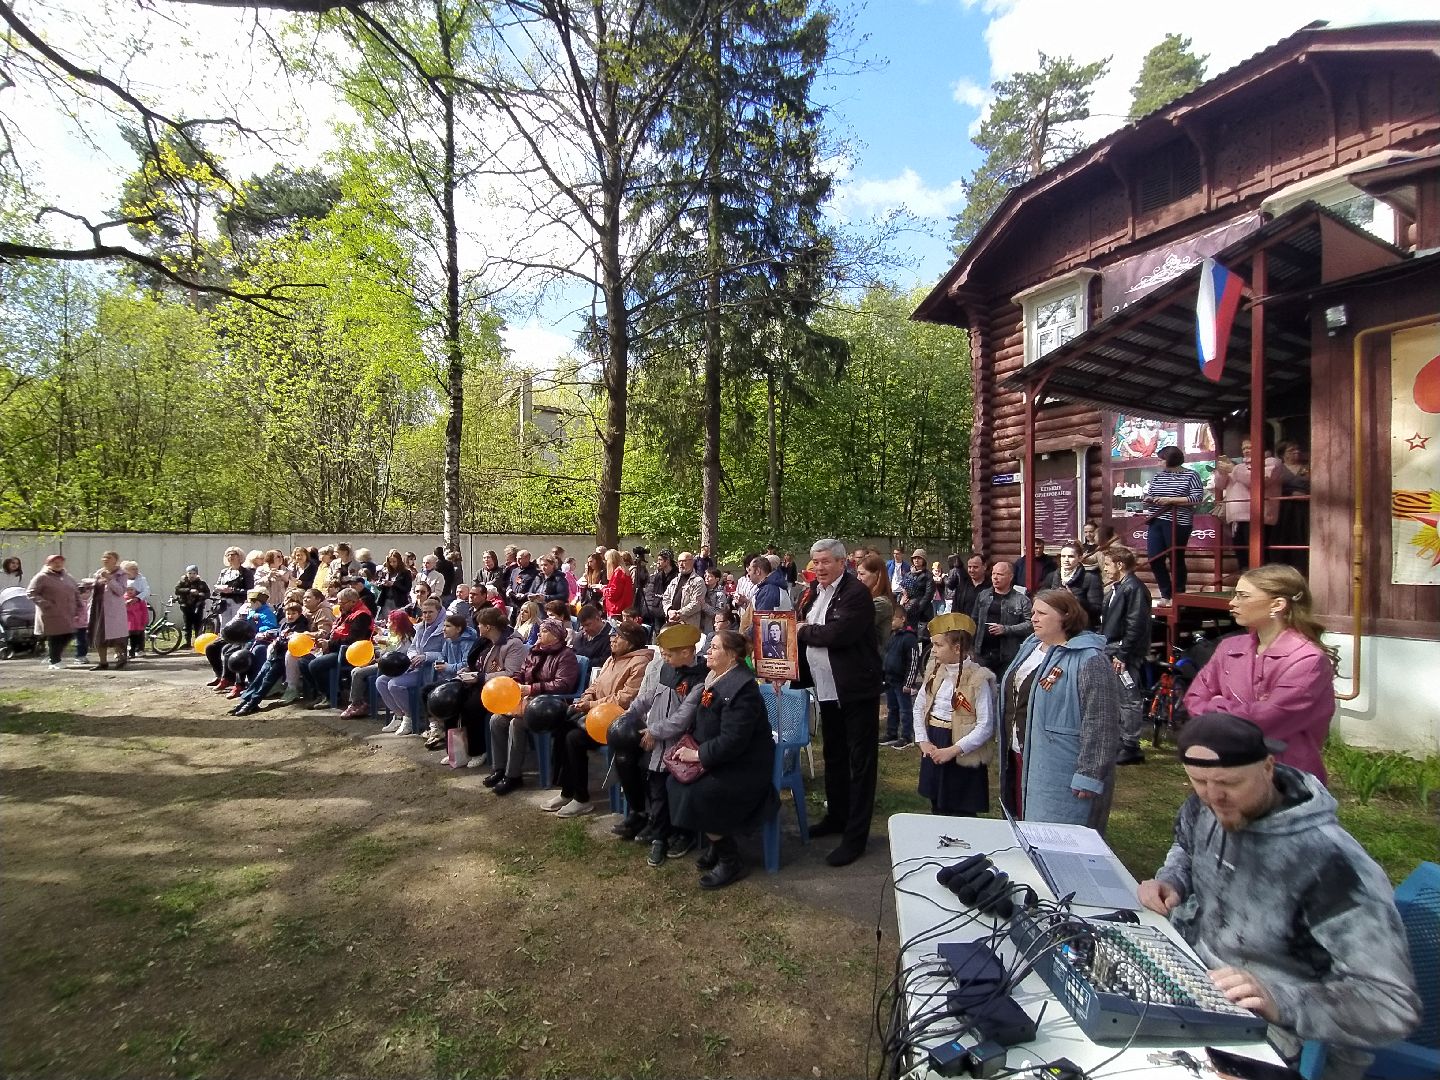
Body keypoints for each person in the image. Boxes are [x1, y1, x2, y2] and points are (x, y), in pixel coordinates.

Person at [1138, 714, 1420, 1079]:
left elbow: (1391, 1004)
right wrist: (1171, 880)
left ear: (1268, 768)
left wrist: (1280, 999)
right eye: (1199, 781)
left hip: (1285, 1043)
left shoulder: (1331, 864)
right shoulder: (1202, 807)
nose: (1213, 796)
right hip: (1198, 985)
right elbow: (1186, 846)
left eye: (1228, 783)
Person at [1182, 564, 1338, 784]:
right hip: (1225, 771)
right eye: (1235, 595)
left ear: (1277, 604)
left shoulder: (1307, 659)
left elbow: (1270, 718)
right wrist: (1234, 711)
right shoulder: (1229, 647)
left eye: (1243, 596)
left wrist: (1217, 706)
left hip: (1287, 778)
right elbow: (1194, 699)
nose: (1232, 603)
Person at [665, 629, 778, 889]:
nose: (708, 652)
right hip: (723, 759)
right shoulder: (715, 678)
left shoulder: (742, 690)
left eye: (714, 648)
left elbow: (734, 740)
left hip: (745, 767)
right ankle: (717, 841)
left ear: (732, 656)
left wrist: (698, 755)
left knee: (699, 793)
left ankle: (730, 859)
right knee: (676, 783)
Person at [794, 538, 883, 867]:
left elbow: (836, 635)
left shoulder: (856, 593)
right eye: (815, 562)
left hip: (855, 691)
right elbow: (809, 627)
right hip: (826, 689)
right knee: (833, 755)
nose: (818, 567)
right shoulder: (815, 592)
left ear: (842, 562)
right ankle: (837, 817)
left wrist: (802, 630)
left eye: (825, 562)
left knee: (860, 763)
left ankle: (856, 838)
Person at [1003, 588, 1119, 833]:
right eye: (1033, 612)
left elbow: (1101, 721)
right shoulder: (1031, 647)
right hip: (1021, 753)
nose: (1033, 618)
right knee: (1024, 827)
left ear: (1065, 617)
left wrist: (1090, 773)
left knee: (1056, 837)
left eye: (1042, 613)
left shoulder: (1090, 660)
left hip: (1059, 766)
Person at [549, 620, 650, 818]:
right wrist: (585, 699)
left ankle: (581, 798)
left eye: (618, 636)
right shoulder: (612, 659)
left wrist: (590, 706)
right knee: (562, 726)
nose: (612, 639)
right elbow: (594, 686)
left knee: (574, 738)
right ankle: (567, 791)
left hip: (619, 721)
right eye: (613, 635)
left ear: (631, 642)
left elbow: (626, 698)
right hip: (598, 715)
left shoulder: (640, 662)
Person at [913, 613, 995, 817]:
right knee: (937, 805)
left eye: (939, 645)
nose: (933, 650)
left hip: (961, 749)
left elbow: (985, 725)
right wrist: (923, 740)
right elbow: (920, 707)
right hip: (935, 740)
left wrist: (953, 751)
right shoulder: (934, 671)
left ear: (957, 648)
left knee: (961, 810)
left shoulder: (978, 679)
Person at [487, 619, 580, 794]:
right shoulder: (535, 651)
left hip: (550, 706)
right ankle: (499, 769)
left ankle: (513, 776)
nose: (538, 634)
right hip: (526, 702)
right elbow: (521, 673)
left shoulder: (566, 655)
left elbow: (563, 685)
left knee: (517, 724)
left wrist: (532, 688)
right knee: (496, 719)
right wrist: (514, 683)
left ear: (555, 636)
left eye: (544, 631)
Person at [1098, 544, 1153, 766]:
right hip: (1111, 647)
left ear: (1120, 565)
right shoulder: (1117, 588)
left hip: (1125, 652)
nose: (1105, 569)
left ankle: (1131, 745)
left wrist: (1123, 654)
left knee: (1129, 698)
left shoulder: (1134, 588)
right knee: (1117, 697)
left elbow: (1135, 624)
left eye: (1108, 565)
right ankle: (1121, 739)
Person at [376, 596, 447, 734]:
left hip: (432, 671)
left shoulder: (444, 629)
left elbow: (445, 655)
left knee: (394, 684)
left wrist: (426, 656)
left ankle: (411, 717)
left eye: (430, 612)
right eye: (424, 612)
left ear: (438, 612)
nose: (426, 615)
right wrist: (413, 656)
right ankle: (399, 715)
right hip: (414, 667)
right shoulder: (420, 628)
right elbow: (412, 648)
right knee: (381, 681)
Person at [1144, 445, 1204, 605]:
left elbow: (1197, 498)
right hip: (1157, 519)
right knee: (1154, 557)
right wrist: (1149, 499)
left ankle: (1178, 595)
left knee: (1175, 557)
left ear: (1170, 460)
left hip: (1179, 522)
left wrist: (1171, 500)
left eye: (1161, 460)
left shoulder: (1191, 475)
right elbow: (1151, 493)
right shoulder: (1159, 476)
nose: (1158, 463)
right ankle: (1166, 593)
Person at [1215, 437, 1285, 573]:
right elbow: (1220, 485)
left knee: (1259, 557)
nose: (1246, 450)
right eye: (1243, 448)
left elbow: (1257, 480)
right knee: (1242, 556)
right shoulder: (1238, 466)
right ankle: (1246, 585)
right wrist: (1222, 472)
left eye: (1249, 447)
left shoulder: (1271, 462)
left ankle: (1262, 587)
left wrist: (1233, 469)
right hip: (1236, 518)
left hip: (1258, 517)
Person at [300, 588, 373, 710]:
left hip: (350, 652)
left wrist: (329, 644)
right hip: (336, 649)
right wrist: (323, 641)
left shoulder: (362, 615)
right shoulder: (346, 612)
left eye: (342, 603)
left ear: (353, 602)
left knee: (315, 665)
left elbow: (353, 640)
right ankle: (321, 693)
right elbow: (336, 631)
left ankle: (331, 696)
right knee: (303, 661)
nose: (339, 606)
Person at [420, 614, 479, 750]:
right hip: (449, 679)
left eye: (448, 626)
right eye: (444, 626)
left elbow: (466, 664)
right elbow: (444, 656)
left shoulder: (467, 643)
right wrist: (439, 662)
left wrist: (447, 667)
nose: (444, 629)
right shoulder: (447, 641)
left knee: (446, 699)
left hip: (462, 681)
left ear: (458, 629)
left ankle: (452, 741)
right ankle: (435, 727)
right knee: (426, 691)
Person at [971, 561, 1032, 677]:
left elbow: (1030, 625)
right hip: (982, 653)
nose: (995, 577)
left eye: (1000, 574)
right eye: (993, 574)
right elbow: (974, 619)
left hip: (1007, 656)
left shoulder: (1021, 600)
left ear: (1010, 577)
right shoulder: (983, 595)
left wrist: (1006, 629)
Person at [27, 554, 81, 669]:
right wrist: (46, 604)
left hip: (67, 612)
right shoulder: (42, 577)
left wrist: (79, 605)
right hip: (51, 613)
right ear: (48, 563)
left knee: (68, 634)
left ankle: (52, 656)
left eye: (60, 562)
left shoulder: (68, 577)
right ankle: (54, 661)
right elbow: (31, 593)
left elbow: (75, 592)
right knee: (55, 636)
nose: (58, 564)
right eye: (54, 562)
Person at [881, 605, 918, 749]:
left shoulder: (909, 638)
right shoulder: (893, 636)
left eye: (893, 619)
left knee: (905, 709)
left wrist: (909, 683)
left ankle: (907, 735)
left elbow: (913, 662)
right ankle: (892, 733)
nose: (890, 622)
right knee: (892, 707)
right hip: (890, 679)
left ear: (902, 619)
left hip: (902, 681)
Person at [84, 551, 129, 670]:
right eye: (104, 557)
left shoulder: (121, 574)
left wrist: (110, 579)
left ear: (115, 560)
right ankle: (102, 662)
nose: (105, 559)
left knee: (117, 636)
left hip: (113, 610)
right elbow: (95, 588)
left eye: (109, 557)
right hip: (98, 608)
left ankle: (121, 658)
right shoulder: (98, 573)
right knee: (99, 636)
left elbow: (120, 591)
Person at [1041, 542, 1102, 628]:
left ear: (1080, 558)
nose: (1066, 560)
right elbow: (1041, 599)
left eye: (1071, 556)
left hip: (1081, 627)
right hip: (1055, 626)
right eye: (1063, 556)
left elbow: (1097, 610)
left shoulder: (1090, 578)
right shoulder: (1051, 576)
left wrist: (1075, 599)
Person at [854, 553, 894, 658]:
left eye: (862, 574)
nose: (858, 578)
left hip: (873, 662)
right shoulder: (867, 598)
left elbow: (853, 625)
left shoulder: (881, 603)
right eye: (857, 574)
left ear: (876, 574)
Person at [173, 564, 210, 647]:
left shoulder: (201, 583)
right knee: (187, 625)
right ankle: (187, 643)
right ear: (187, 574)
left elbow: (208, 593)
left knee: (198, 625)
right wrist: (189, 590)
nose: (192, 575)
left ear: (197, 574)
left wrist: (200, 594)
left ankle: (198, 643)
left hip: (198, 606)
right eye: (190, 573)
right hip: (186, 606)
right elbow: (177, 590)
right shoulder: (182, 582)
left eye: (194, 573)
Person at [213, 546, 251, 625]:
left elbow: (250, 590)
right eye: (228, 555)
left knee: (236, 624)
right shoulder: (224, 572)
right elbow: (217, 585)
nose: (230, 557)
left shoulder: (246, 572)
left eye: (233, 554)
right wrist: (219, 589)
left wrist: (233, 590)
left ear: (239, 556)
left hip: (239, 602)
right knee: (224, 625)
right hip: (224, 603)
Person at [600, 548, 633, 618]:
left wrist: (603, 589)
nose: (605, 563)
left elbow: (613, 594)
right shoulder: (623, 571)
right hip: (622, 608)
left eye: (606, 560)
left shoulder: (618, 572)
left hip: (616, 609)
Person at [124, 583, 148, 658]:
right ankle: (124, 651)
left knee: (135, 638)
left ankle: (134, 651)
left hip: (137, 622)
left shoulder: (140, 600)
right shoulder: (123, 599)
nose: (130, 591)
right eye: (128, 589)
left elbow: (144, 611)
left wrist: (145, 621)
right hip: (127, 622)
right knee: (125, 637)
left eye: (132, 589)